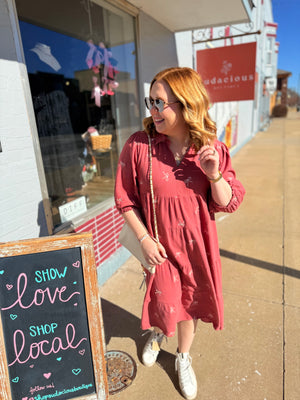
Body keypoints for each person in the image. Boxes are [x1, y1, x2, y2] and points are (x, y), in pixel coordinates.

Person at [114, 67, 245, 400]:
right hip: (158, 246)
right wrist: (143, 238)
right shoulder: (139, 146)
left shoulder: (209, 148)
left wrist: (214, 175)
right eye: (151, 102)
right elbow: (125, 199)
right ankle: (158, 335)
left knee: (189, 304)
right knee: (164, 300)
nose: (153, 111)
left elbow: (229, 203)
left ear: (186, 104)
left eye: (160, 103)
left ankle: (183, 356)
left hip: (196, 247)